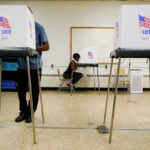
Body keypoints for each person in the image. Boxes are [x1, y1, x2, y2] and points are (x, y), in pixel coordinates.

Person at [15, 21, 49, 123]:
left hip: (35, 67)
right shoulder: (19, 27)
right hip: (21, 66)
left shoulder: (39, 27)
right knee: (21, 90)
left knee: (34, 91)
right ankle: (23, 112)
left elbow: (47, 46)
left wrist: (32, 47)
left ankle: (30, 113)